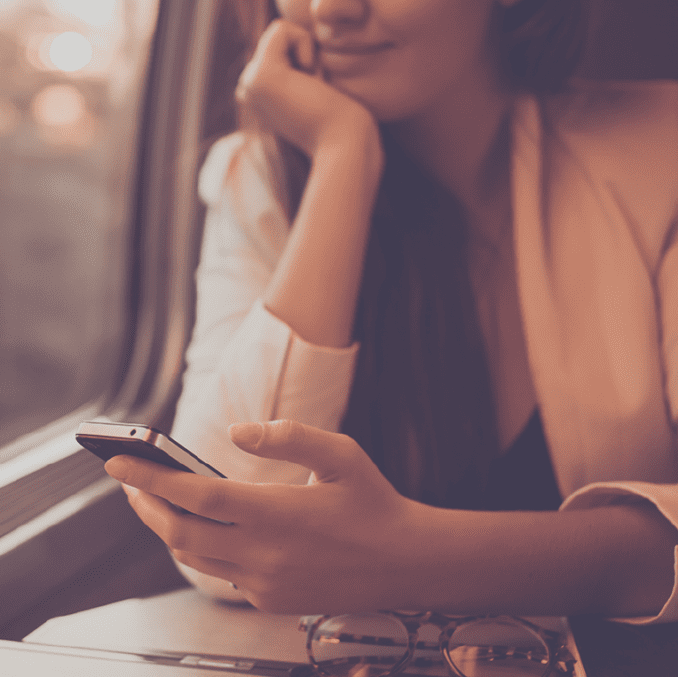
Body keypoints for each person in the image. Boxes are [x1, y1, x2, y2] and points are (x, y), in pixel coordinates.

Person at [104, 0, 678, 623]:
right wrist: (343, 157)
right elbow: (223, 526)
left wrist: (416, 559)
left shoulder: (661, 154)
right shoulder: (261, 176)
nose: (331, 9)